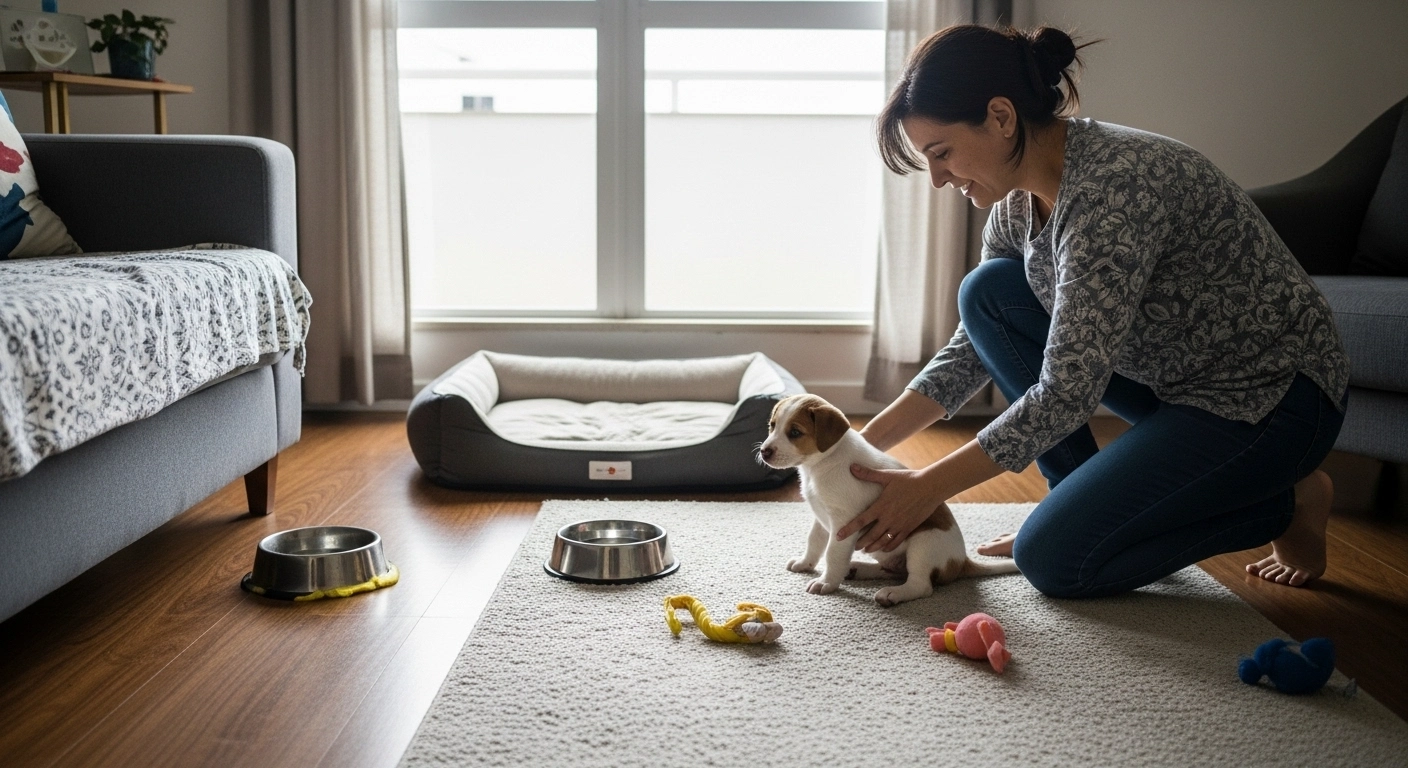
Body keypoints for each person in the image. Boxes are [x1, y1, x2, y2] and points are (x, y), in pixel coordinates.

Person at [834, 24, 1349, 598]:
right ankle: (1075, 496)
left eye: (942, 153)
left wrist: (927, 486)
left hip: (1270, 403)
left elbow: (1067, 391)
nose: (937, 179)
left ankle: (1286, 501)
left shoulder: (1112, 194)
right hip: (1170, 382)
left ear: (1001, 117)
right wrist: (852, 450)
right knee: (988, 290)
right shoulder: (1017, 204)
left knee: (1054, 560)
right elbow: (976, 344)